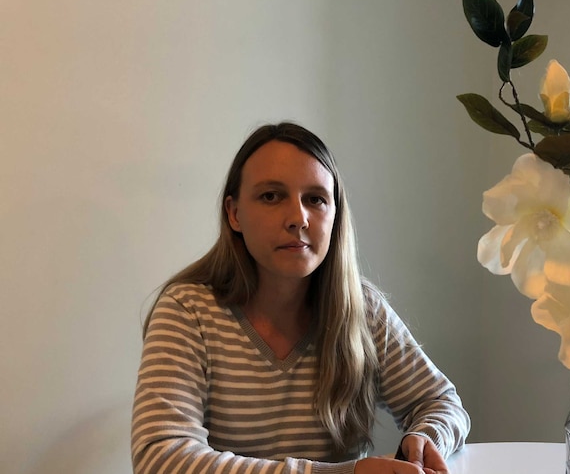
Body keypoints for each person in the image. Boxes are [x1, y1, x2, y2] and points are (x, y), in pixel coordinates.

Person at [132, 122, 470, 474]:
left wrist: (425, 440)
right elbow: (161, 458)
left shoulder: (362, 310)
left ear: (335, 215)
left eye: (316, 199)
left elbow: (441, 401)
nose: (298, 218)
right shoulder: (188, 312)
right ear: (234, 213)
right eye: (271, 196)